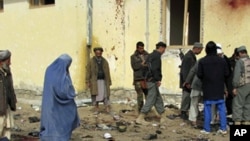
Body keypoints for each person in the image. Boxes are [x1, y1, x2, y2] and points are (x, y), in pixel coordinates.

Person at [40, 54, 80, 141]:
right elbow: (63, 91)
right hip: (58, 104)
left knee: (51, 120)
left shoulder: (50, 70)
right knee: (63, 119)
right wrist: (71, 92)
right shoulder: (61, 73)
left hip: (50, 102)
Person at [197, 41, 229, 135]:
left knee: (207, 108)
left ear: (206, 50)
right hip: (219, 87)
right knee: (221, 108)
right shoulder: (222, 61)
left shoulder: (202, 61)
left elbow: (199, 74)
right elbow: (227, 73)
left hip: (207, 87)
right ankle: (223, 128)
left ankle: (207, 129)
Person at [135, 41, 167, 125]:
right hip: (152, 80)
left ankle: (163, 116)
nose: (164, 51)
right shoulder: (156, 56)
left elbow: (144, 66)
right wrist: (158, 80)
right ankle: (140, 117)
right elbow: (155, 69)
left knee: (158, 98)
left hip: (148, 79)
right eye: (164, 49)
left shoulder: (150, 55)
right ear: (161, 48)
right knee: (151, 99)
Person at [180, 42, 203, 120]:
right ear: (197, 49)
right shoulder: (189, 57)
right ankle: (183, 112)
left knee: (188, 97)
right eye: (200, 50)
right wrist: (187, 82)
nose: (200, 52)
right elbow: (185, 71)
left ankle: (185, 111)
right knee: (186, 96)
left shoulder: (191, 56)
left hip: (189, 81)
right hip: (187, 81)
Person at [86, 47, 112, 114]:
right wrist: (87, 81)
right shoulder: (91, 61)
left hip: (104, 81)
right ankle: (96, 108)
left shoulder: (105, 61)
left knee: (105, 95)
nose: (98, 54)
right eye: (97, 53)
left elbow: (108, 72)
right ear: (95, 53)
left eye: (99, 53)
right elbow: (88, 72)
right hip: (95, 81)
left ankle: (107, 108)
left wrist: (109, 81)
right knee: (95, 95)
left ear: (101, 53)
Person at [0, 50, 16, 140]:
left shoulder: (7, 73)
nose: (10, 63)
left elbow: (10, 88)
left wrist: (13, 100)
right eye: (8, 61)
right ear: (2, 62)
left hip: (6, 107)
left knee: (7, 130)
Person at [232, 46, 250, 125]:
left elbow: (237, 75)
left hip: (242, 85)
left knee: (237, 105)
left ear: (239, 53)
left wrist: (235, 86)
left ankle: (238, 126)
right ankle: (247, 122)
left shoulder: (240, 62)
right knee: (248, 105)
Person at [130, 41, 149, 112]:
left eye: (142, 48)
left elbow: (150, 65)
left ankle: (147, 109)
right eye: (140, 48)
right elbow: (134, 67)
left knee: (148, 95)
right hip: (138, 78)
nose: (141, 49)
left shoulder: (147, 55)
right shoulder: (133, 57)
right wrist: (141, 64)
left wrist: (146, 65)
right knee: (140, 95)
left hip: (146, 78)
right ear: (137, 48)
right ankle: (141, 110)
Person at [185, 59, 203, 128]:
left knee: (194, 103)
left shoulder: (200, 60)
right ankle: (210, 121)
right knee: (208, 104)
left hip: (196, 85)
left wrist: (187, 81)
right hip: (207, 86)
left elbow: (192, 71)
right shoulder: (217, 61)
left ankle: (193, 121)